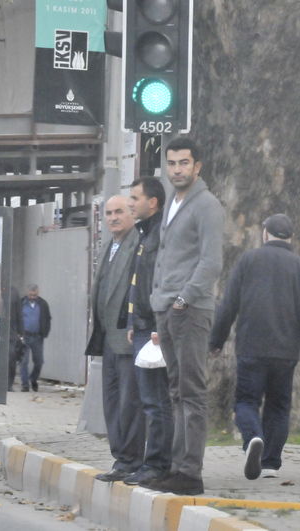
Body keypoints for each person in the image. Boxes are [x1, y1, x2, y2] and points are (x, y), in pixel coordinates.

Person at [209, 213, 300, 480]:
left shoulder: (248, 261)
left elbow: (228, 305)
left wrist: (215, 341)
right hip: (286, 351)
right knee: (279, 405)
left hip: (251, 346)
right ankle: (270, 463)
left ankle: (253, 438)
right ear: (291, 237)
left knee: (246, 401)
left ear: (265, 233)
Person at [145, 137, 224, 495]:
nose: (177, 169)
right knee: (175, 391)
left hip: (190, 309)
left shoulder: (206, 205)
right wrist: (158, 298)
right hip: (167, 307)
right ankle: (177, 468)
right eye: (172, 163)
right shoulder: (173, 204)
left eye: (184, 163)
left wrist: (182, 299)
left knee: (192, 392)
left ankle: (190, 473)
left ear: (198, 166)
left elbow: (211, 261)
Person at [84, 195, 143, 482]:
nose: (113, 217)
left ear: (132, 213)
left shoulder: (138, 244)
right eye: (108, 213)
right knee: (111, 400)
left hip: (127, 336)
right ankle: (120, 457)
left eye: (119, 211)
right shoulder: (110, 245)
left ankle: (130, 459)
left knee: (129, 401)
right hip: (107, 337)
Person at [121, 177, 173, 486]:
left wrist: (155, 325)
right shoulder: (144, 234)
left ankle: (157, 465)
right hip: (141, 327)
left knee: (156, 401)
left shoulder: (160, 234)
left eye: (135, 198)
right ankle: (146, 462)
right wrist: (132, 321)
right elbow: (138, 284)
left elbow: (161, 281)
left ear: (152, 202)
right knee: (148, 400)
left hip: (154, 329)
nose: (130, 203)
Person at [19, 284, 52, 392]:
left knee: (39, 361)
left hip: (37, 337)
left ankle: (33, 379)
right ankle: (25, 384)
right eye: (31, 295)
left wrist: (45, 332)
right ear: (27, 293)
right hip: (25, 336)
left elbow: (48, 319)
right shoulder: (21, 303)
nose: (32, 297)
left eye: (35, 295)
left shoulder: (43, 304)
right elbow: (16, 318)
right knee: (23, 361)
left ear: (38, 293)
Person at [8, 285, 23, 391]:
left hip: (11, 331)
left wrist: (21, 332)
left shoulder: (13, 292)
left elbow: (19, 313)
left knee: (11, 358)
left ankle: (9, 384)